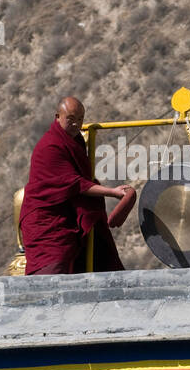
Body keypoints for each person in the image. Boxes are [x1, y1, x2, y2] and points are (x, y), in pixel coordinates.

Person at [20, 97, 135, 274]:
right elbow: (74, 183)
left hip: (67, 217)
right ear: (57, 116)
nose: (76, 124)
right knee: (53, 270)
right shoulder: (50, 146)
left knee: (90, 262)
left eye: (80, 119)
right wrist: (112, 191)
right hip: (46, 219)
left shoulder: (75, 141)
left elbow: (79, 180)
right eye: (71, 119)